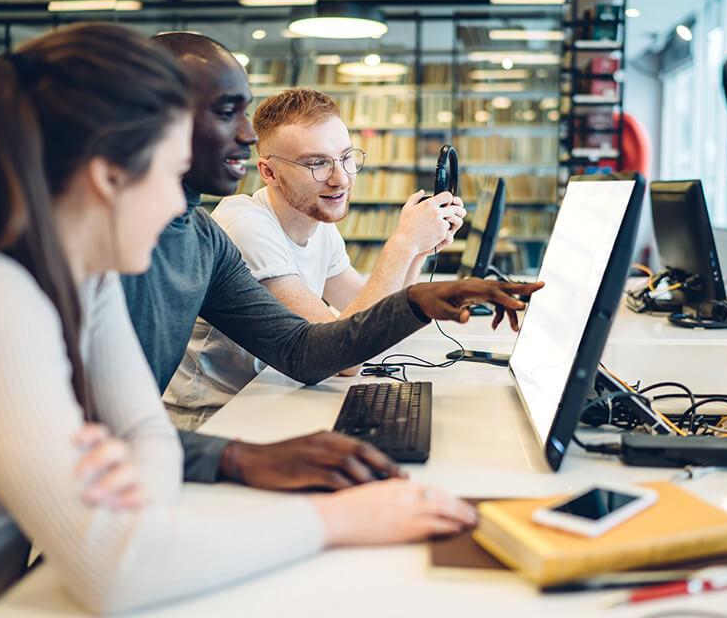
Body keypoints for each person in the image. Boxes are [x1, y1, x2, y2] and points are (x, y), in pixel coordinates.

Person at [0, 23, 484, 617]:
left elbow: (145, 441)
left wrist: (135, 464)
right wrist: (339, 519)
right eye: (167, 175)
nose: (177, 212)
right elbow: (117, 569)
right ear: (109, 178)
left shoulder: (96, 273)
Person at [122, 31, 540, 491]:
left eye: (345, 158)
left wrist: (419, 287)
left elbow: (307, 350)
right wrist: (400, 249)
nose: (245, 136)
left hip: (196, 440)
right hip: (194, 436)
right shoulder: (209, 229)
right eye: (227, 113)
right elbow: (99, 432)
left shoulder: (202, 238)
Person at [165, 87, 467, 417]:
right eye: (318, 163)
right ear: (269, 172)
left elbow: (375, 322)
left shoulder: (317, 223)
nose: (341, 179)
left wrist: (419, 249)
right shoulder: (245, 226)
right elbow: (344, 358)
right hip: (215, 418)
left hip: (275, 398)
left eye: (346, 158)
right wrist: (402, 244)